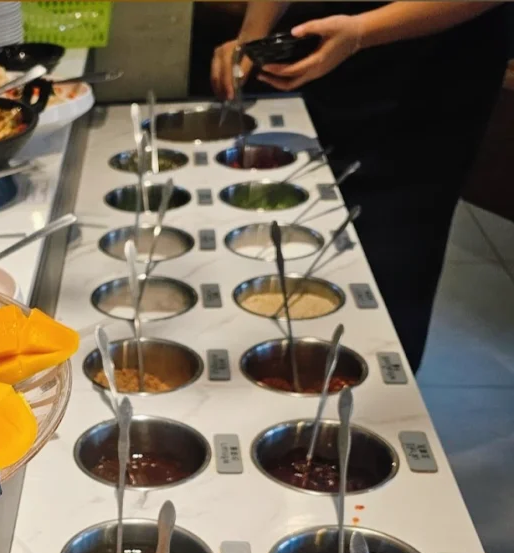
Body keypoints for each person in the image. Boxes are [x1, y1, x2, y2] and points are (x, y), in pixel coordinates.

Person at [211, 2, 509, 372]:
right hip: (331, 45)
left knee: (391, 261)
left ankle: (375, 385)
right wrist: (252, 37)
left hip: (431, 73)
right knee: (301, 230)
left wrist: (360, 33)